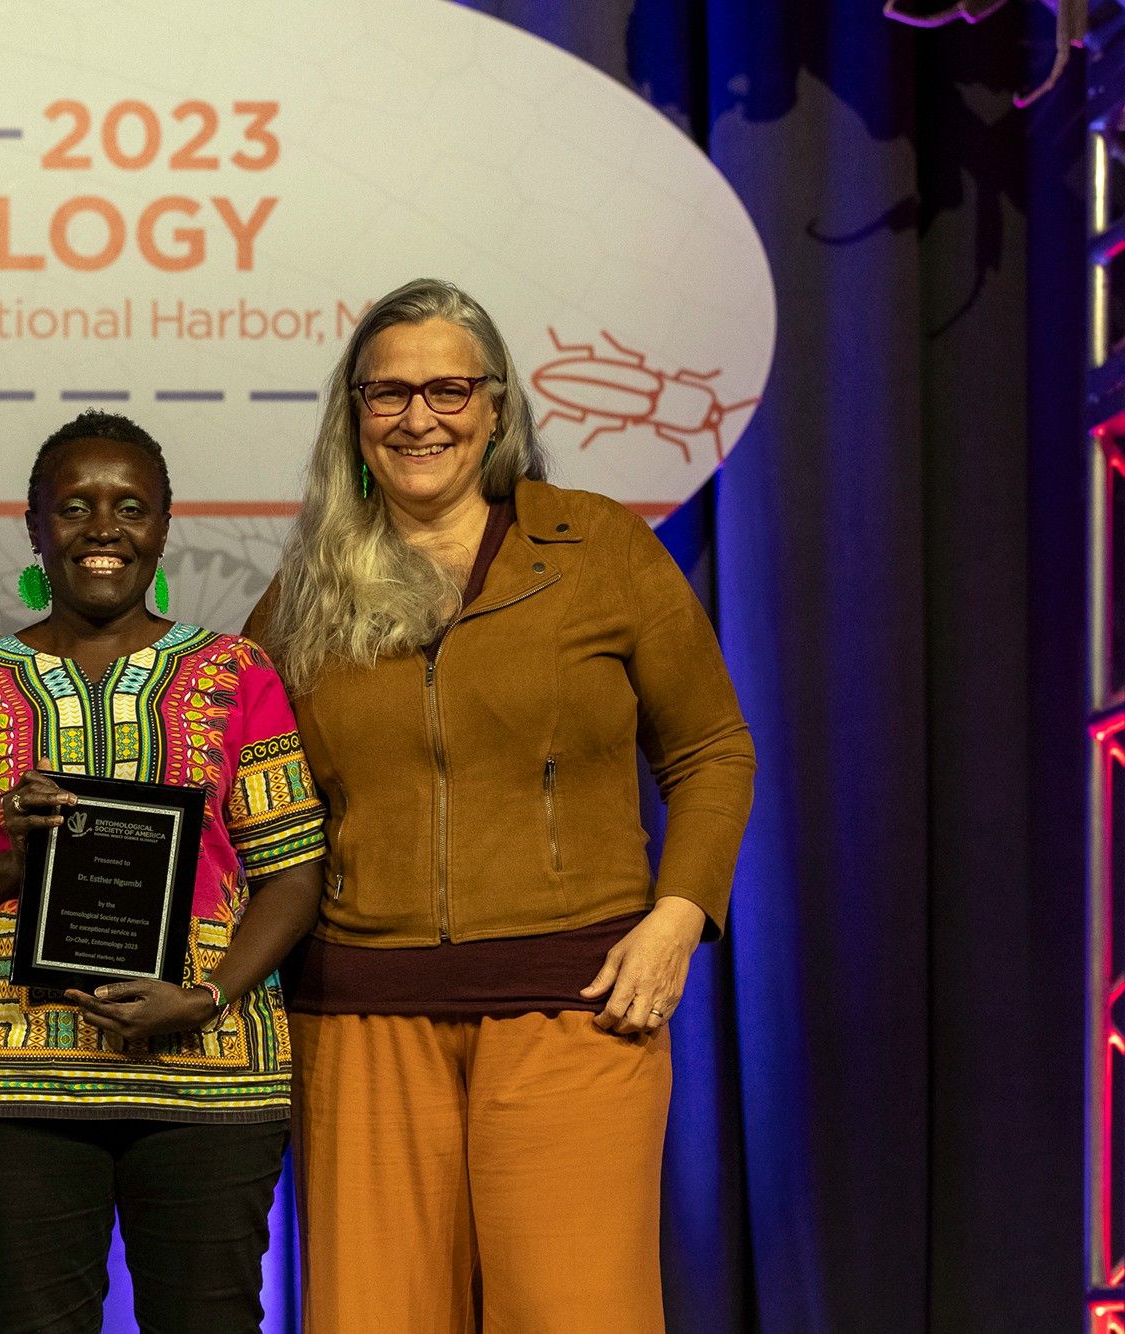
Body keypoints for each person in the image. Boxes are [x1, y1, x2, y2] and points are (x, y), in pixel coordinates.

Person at [243, 278, 755, 1332]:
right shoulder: (304, 590)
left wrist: (678, 915)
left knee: (575, 1313)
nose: (416, 416)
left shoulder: (599, 547)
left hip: (573, 1005)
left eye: (446, 388)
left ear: (494, 405)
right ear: (352, 417)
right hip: (358, 1019)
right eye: (385, 393)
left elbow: (710, 748)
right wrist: (21, 700)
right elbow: (213, 768)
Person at [0, 410, 327, 1333]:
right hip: (16, 1084)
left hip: (207, 1075)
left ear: (165, 526)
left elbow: (293, 871)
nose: (102, 528)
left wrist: (205, 997)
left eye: (131, 506)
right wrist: (10, 863)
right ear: (34, 526)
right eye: (74, 506)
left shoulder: (234, 672)